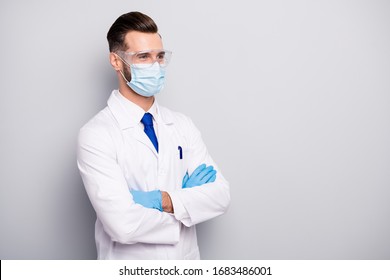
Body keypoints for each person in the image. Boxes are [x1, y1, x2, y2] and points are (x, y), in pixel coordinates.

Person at [77, 11, 230, 260]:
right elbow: (122, 226)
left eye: (159, 56)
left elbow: (221, 196)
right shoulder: (96, 135)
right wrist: (187, 205)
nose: (155, 66)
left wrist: (163, 200)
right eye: (143, 57)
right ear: (116, 61)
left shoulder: (182, 125)